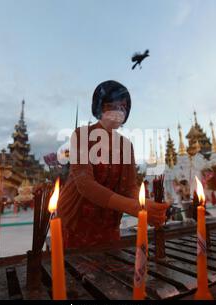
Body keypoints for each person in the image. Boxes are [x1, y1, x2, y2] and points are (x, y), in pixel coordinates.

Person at [57, 80, 168, 249]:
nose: (120, 111)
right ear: (101, 107)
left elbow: (130, 187)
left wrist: (146, 205)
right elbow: (85, 184)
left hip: (109, 223)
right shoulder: (82, 135)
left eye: (124, 107)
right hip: (76, 221)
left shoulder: (126, 145)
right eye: (114, 105)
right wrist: (133, 207)